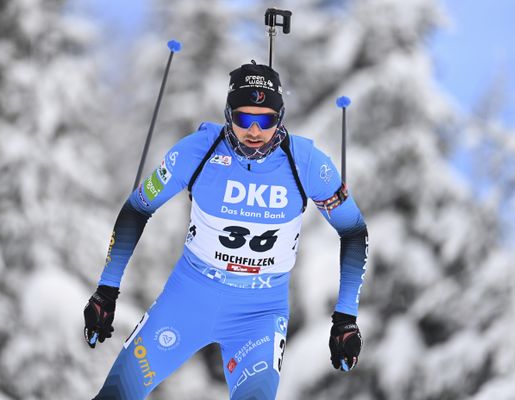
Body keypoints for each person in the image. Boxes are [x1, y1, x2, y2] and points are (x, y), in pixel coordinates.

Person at [84, 62, 369, 400]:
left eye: (265, 120)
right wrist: (107, 290)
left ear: (281, 117)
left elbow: (352, 230)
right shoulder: (198, 150)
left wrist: (346, 317)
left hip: (259, 314)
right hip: (188, 299)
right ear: (227, 114)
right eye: (242, 118)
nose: (253, 130)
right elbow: (138, 208)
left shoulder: (306, 163)